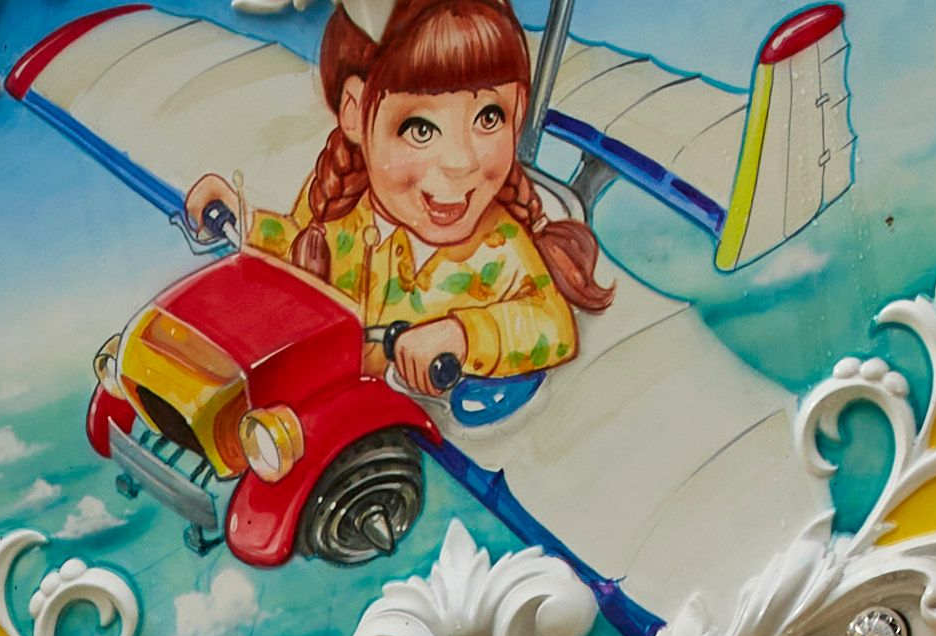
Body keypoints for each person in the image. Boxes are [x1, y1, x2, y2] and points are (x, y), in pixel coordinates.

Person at [185, 0, 616, 399]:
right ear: (353, 112)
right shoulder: (343, 202)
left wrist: (463, 337)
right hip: (321, 409)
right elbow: (298, 243)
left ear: (519, 110)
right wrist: (243, 220)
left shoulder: (499, 248)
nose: (460, 161)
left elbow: (553, 325)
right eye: (421, 129)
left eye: (489, 117)